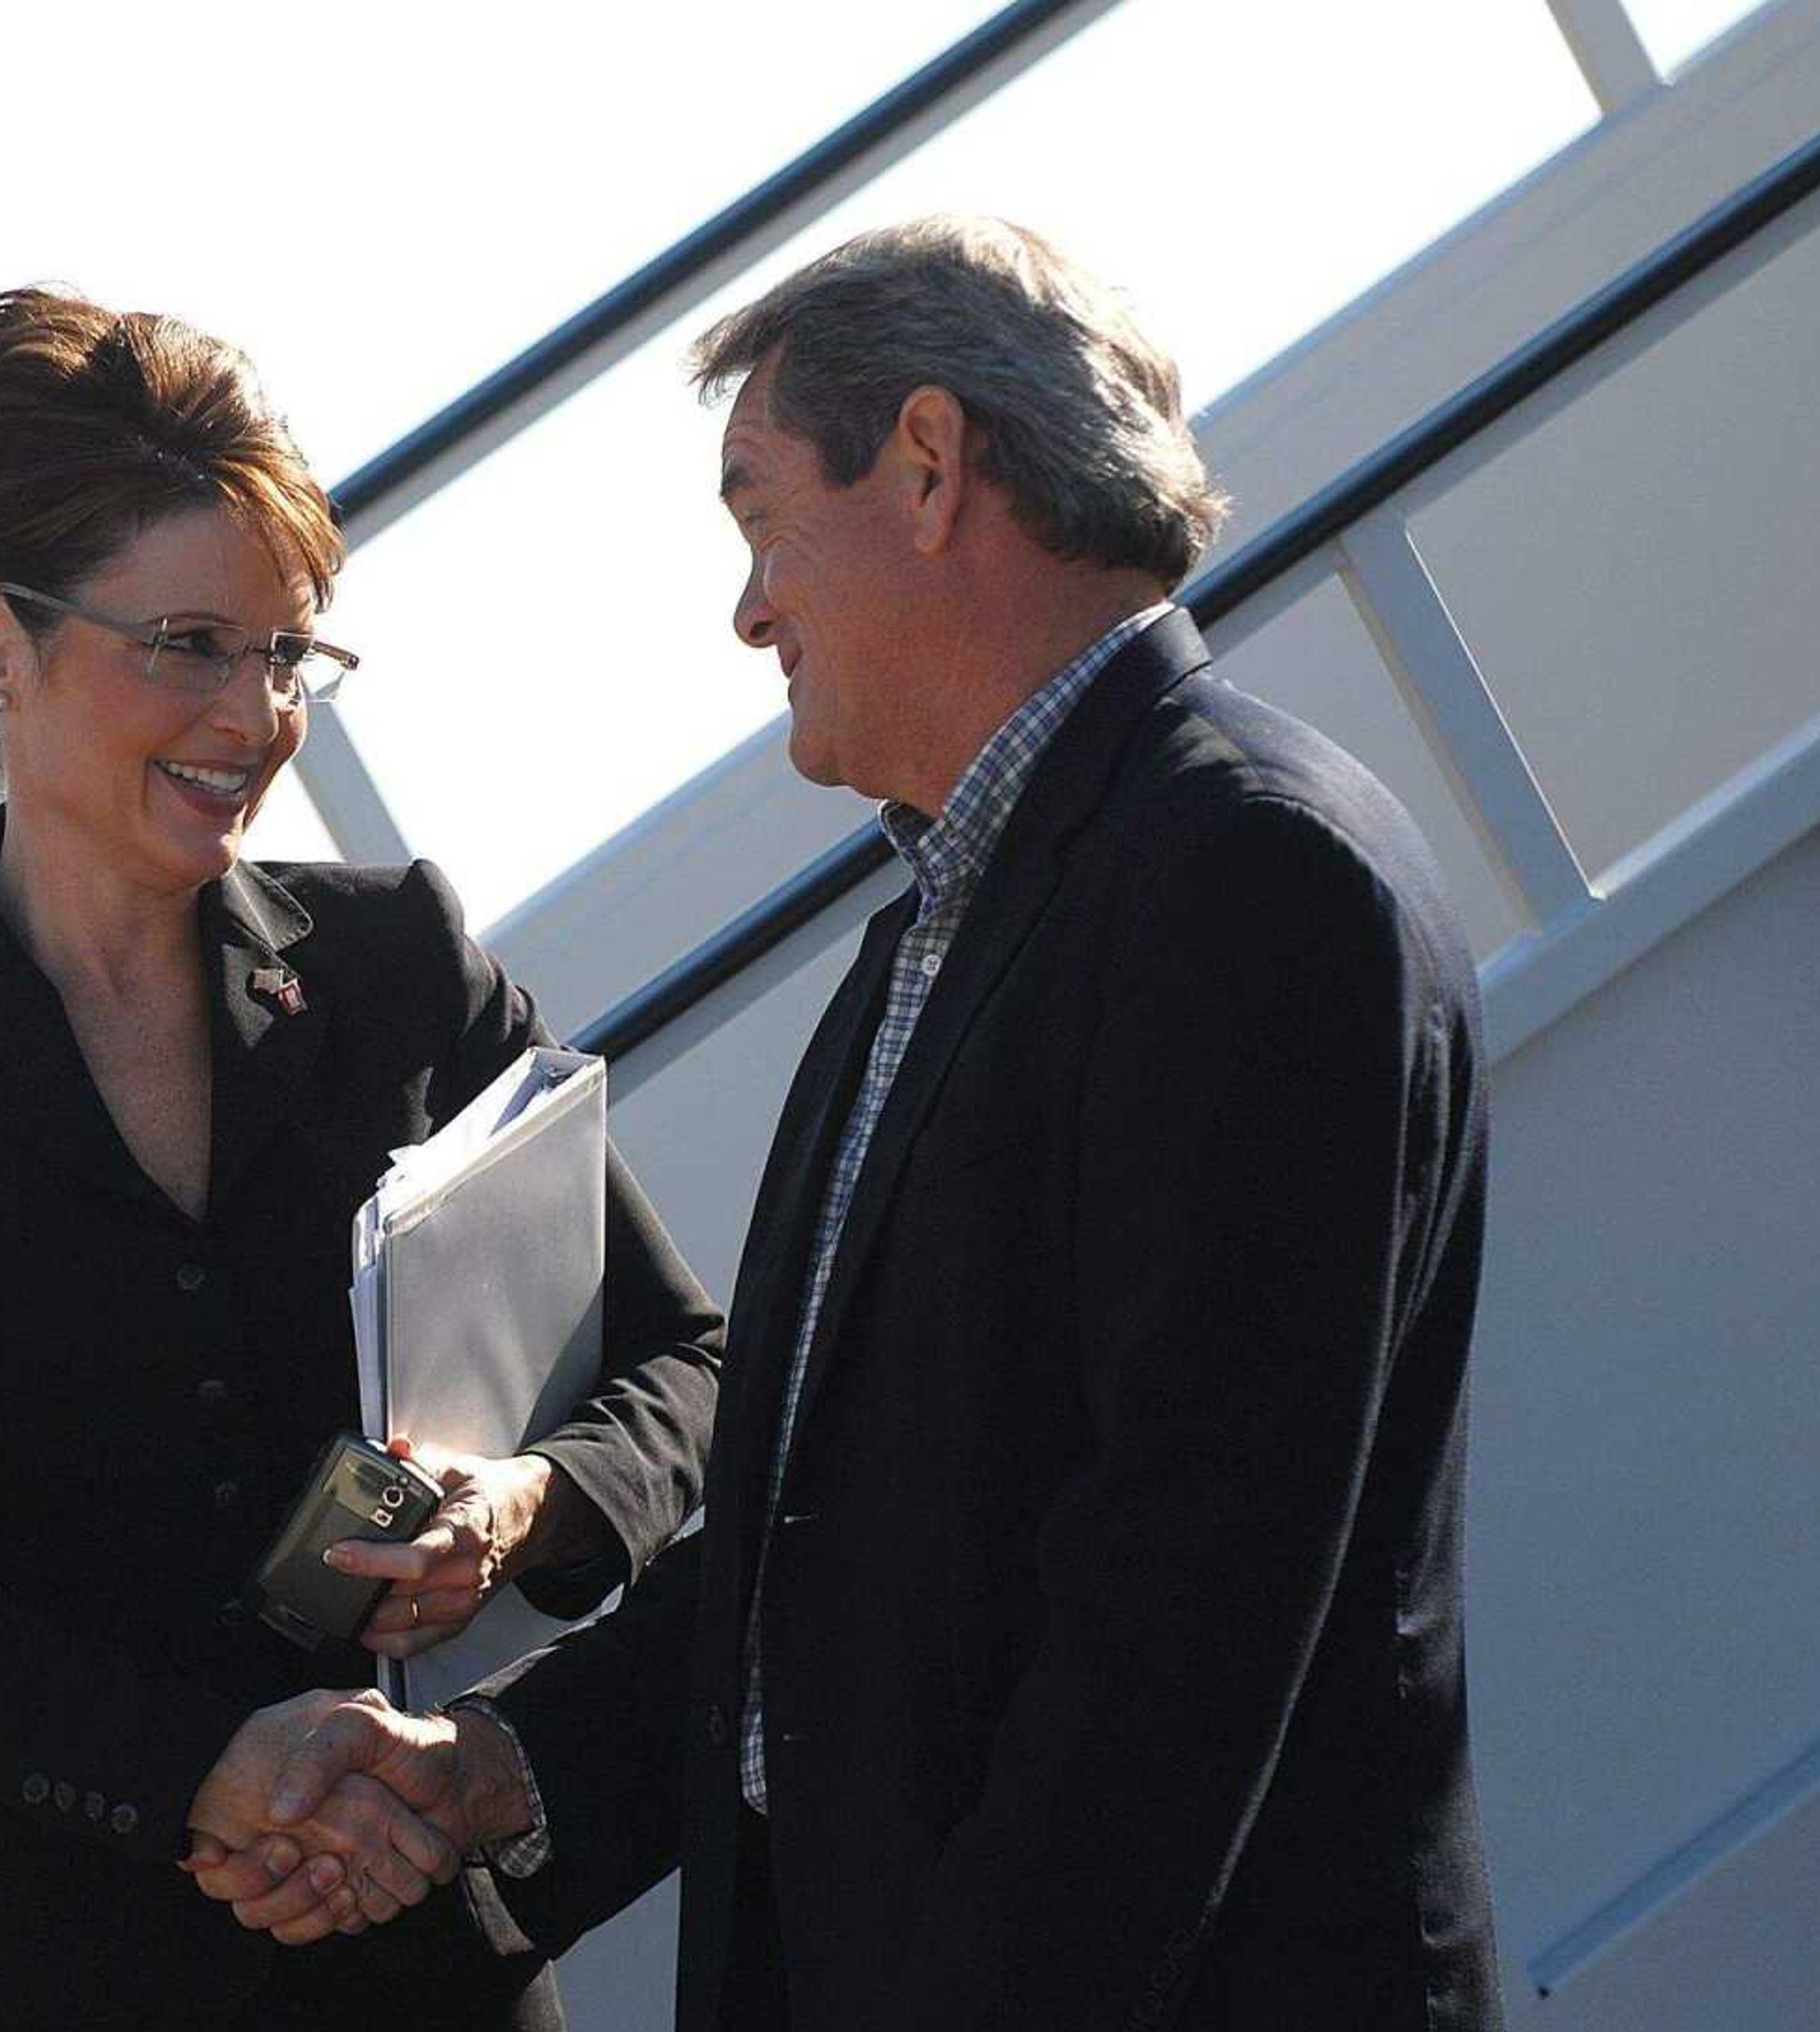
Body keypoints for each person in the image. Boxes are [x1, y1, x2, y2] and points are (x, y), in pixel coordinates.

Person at [202, 218, 1509, 2030]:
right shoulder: (931, 934)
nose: (747, 610)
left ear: (924, 466)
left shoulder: (1250, 873)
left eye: (755, 514)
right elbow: (829, 1541)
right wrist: (503, 1769)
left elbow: (1181, 1594)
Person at [0, 285, 725, 2032]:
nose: (254, 714)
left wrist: (526, 1501)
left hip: (415, 1963)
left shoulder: (403, 961)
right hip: (20, 1971)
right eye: (188, 642)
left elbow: (687, 1363)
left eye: (287, 652)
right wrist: (202, 1766)